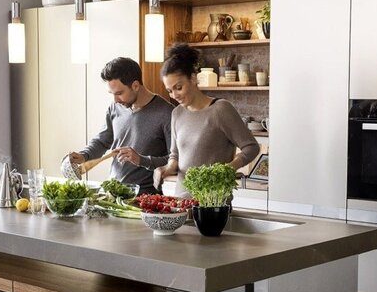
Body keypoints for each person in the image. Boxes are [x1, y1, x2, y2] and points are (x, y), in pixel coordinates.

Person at [153, 44, 260, 191]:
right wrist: (166, 168)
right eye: (170, 91)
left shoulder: (221, 109)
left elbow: (251, 147)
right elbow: (175, 155)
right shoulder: (176, 113)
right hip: (182, 200)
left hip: (214, 201)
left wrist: (228, 169)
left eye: (179, 88)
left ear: (193, 78)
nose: (174, 95)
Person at [67, 57, 173, 195]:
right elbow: (102, 141)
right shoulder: (115, 108)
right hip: (112, 193)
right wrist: (84, 155)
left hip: (145, 198)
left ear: (135, 86)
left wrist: (141, 160)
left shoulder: (167, 113)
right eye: (112, 94)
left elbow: (174, 160)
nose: (115, 100)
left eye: (119, 93)